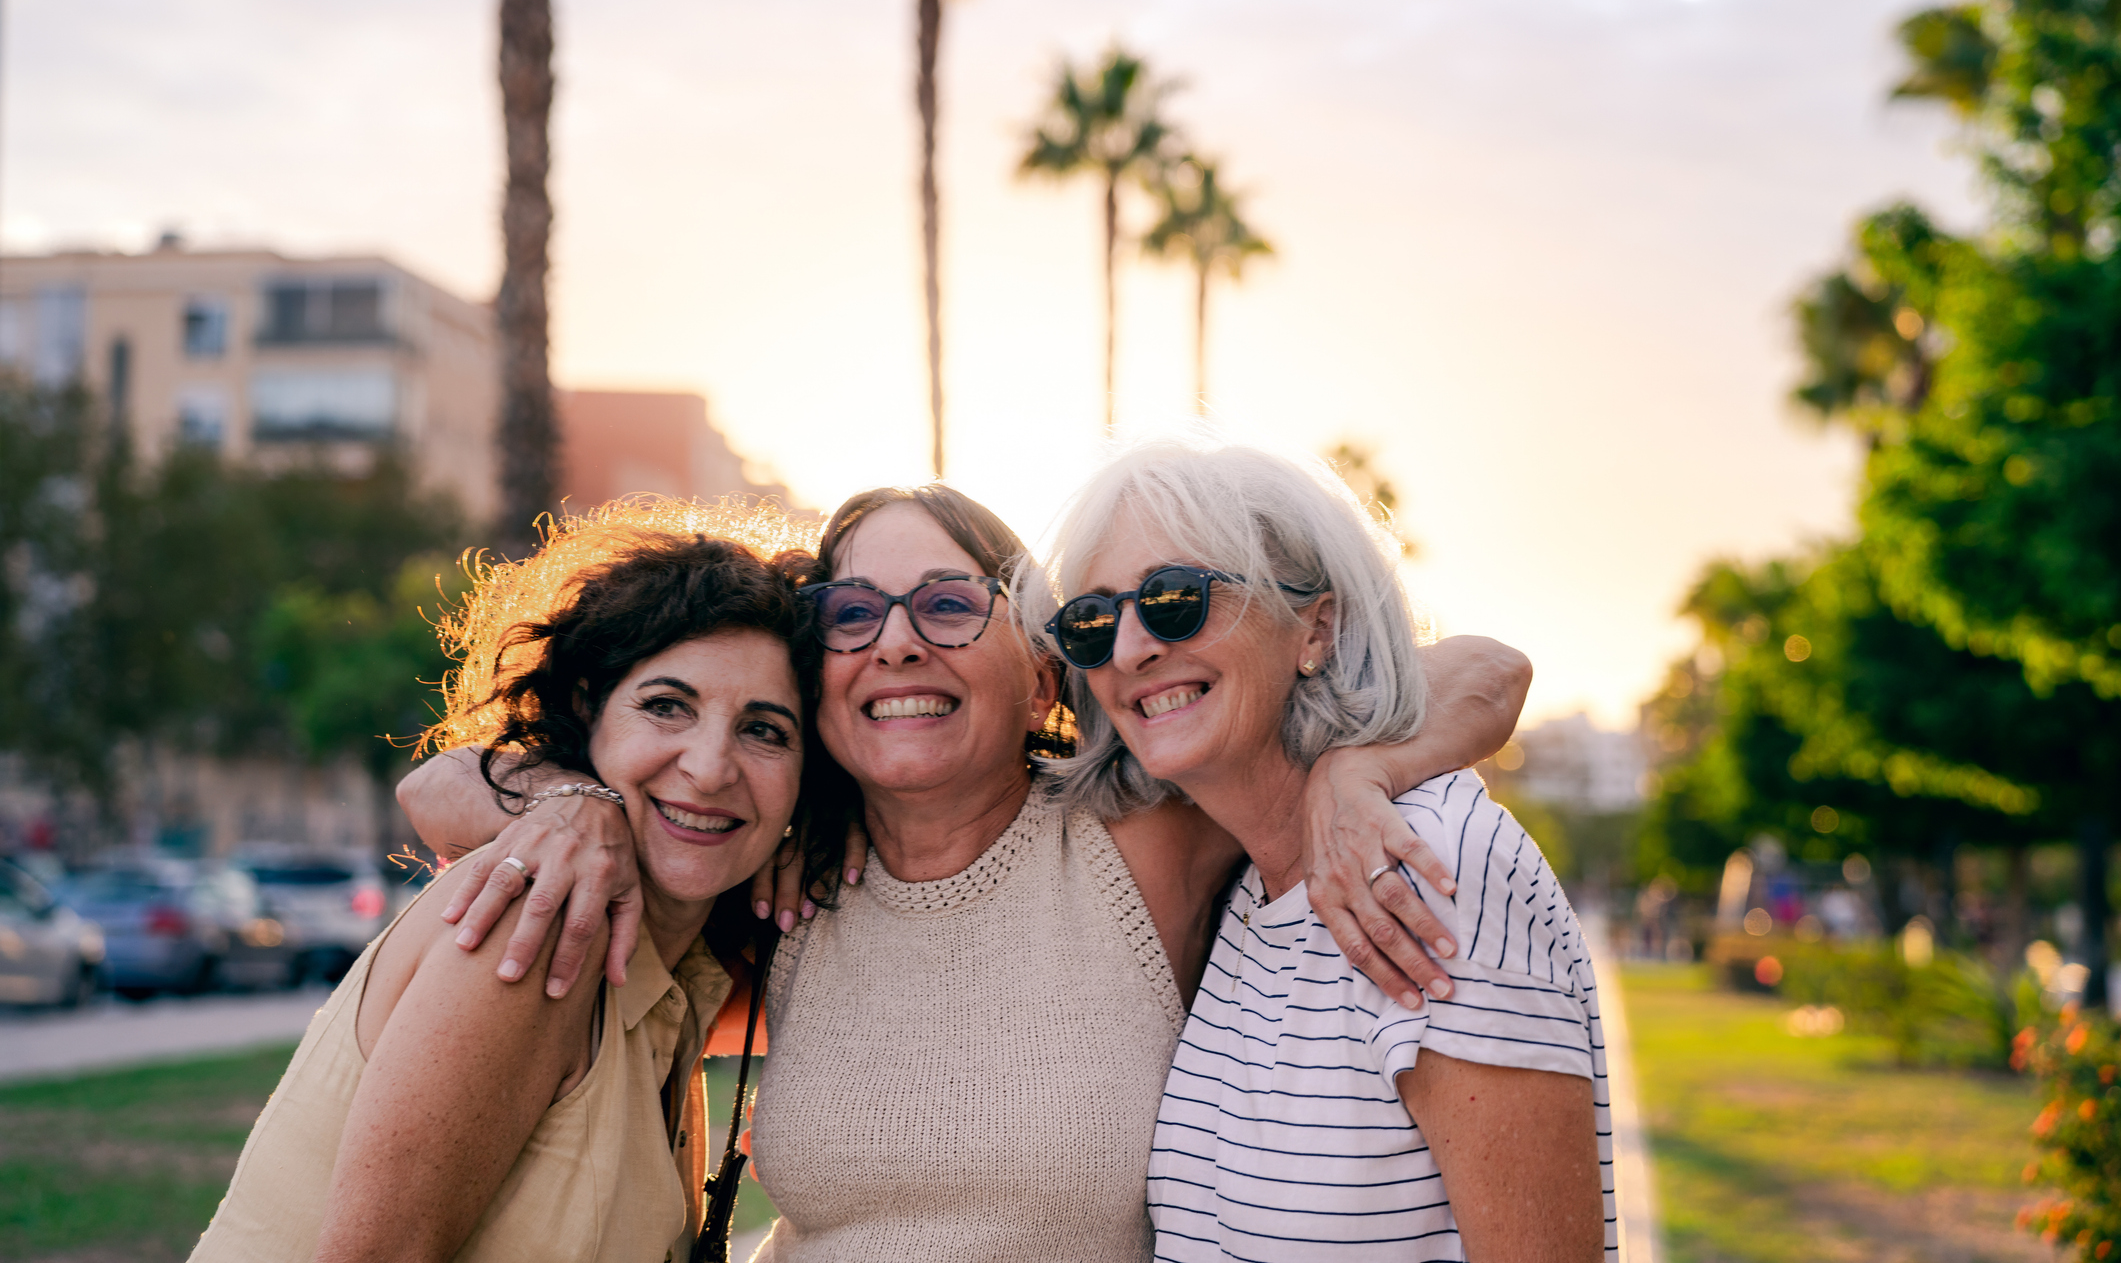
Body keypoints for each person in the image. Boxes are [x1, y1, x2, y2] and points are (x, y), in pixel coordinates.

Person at [401, 483, 1531, 1261]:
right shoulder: (779, 874)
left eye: (947, 603)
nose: (896, 642)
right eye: (849, 613)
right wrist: (581, 806)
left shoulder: (1148, 838)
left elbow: (1489, 669)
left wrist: (1354, 770)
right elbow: (438, 789)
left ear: (1046, 666)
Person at [193, 510, 835, 1263]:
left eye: (765, 730)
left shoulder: (682, 977)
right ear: (588, 710)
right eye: (666, 707)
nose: (709, 766)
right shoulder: (535, 917)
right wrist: (568, 799)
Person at [1032, 438, 1613, 1261]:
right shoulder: (1244, 889)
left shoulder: (1426, 865)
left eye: (1174, 599)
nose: (1129, 651)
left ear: (1316, 625)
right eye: (1091, 622)